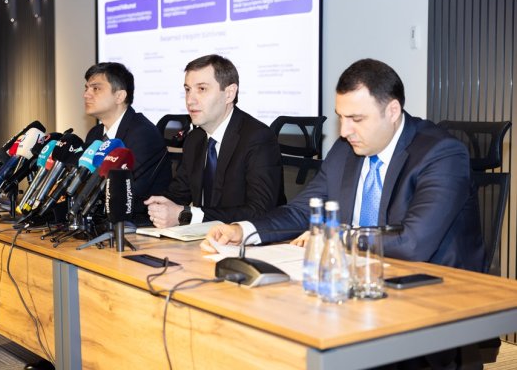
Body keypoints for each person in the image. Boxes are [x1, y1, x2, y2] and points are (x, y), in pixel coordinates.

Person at [202, 58, 484, 273]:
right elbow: (302, 211)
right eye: (341, 117)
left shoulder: (442, 154)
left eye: (356, 119)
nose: (345, 131)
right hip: (357, 279)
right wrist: (243, 231)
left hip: (435, 293)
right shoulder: (345, 150)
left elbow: (413, 243)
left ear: (392, 111)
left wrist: (338, 238)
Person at [144, 54, 285, 228]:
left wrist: (186, 215)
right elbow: (178, 195)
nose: (190, 100)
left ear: (229, 94)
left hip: (251, 240)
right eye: (188, 90)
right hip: (202, 237)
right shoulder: (194, 139)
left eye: (202, 89)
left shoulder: (258, 138)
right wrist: (157, 206)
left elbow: (260, 211)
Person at [83, 62, 172, 214]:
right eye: (86, 88)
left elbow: (129, 193)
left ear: (119, 96)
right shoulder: (95, 134)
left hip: (140, 221)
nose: (86, 95)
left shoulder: (143, 134)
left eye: (96, 89)